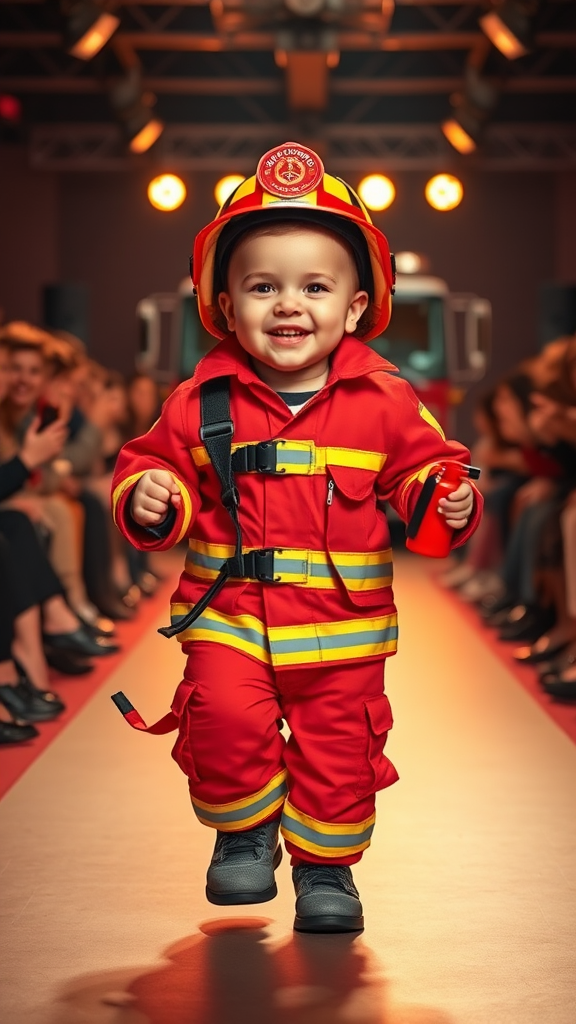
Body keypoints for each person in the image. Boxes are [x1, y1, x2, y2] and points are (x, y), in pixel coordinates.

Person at [111, 143, 482, 933]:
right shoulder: (198, 396)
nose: (288, 305)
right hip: (229, 616)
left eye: (315, 287)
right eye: (263, 286)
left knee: (337, 751)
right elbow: (151, 463)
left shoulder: (385, 399)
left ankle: (325, 869)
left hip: (342, 630)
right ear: (226, 304)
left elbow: (427, 466)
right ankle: (243, 833)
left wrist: (443, 500)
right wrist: (151, 497)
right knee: (222, 718)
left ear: (353, 307)